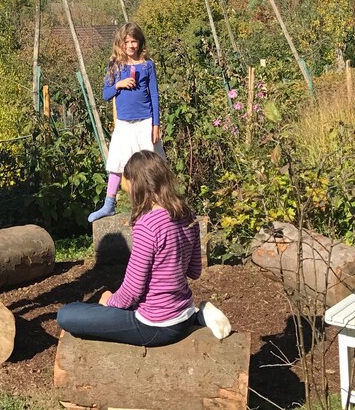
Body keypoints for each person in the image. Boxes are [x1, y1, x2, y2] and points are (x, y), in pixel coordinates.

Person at [57, 150, 231, 346]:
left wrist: (109, 303)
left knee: (66, 314)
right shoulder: (187, 215)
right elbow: (194, 271)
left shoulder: (148, 225)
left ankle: (197, 316)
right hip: (183, 313)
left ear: (136, 184)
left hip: (155, 325)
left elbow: (132, 290)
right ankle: (199, 316)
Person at [89, 23, 165, 223]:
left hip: (145, 121)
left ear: (140, 43)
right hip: (124, 123)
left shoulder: (148, 65)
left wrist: (155, 125)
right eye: (127, 42)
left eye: (134, 41)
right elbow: (106, 94)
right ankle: (109, 204)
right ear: (121, 44)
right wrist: (119, 85)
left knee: (151, 164)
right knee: (117, 162)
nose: (131, 45)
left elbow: (155, 96)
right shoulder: (115, 66)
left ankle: (155, 204)